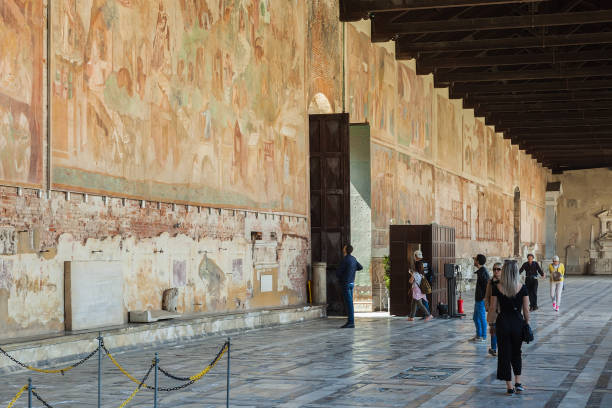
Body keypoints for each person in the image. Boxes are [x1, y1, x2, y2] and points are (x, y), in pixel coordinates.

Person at [490, 260, 529, 395]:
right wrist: (527, 323)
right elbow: (526, 310)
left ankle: (509, 386)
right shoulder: (522, 287)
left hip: (503, 323)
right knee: (516, 352)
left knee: (504, 354)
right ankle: (518, 382)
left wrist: (491, 324)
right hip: (517, 323)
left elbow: (493, 309)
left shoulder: (497, 287)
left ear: (505, 271)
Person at [337, 244, 363, 328]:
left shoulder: (345, 259)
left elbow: (338, 273)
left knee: (349, 304)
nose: (343, 248)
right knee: (350, 303)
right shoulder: (353, 259)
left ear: (345, 250)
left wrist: (345, 273)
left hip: (345, 283)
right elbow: (360, 267)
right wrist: (351, 270)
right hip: (351, 283)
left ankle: (351, 322)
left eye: (344, 247)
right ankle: (350, 321)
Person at [470, 254, 490, 342]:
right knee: (475, 318)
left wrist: (485, 298)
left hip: (481, 299)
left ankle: (483, 336)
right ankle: (479, 335)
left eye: (475, 259)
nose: (474, 261)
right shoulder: (480, 271)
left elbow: (487, 286)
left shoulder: (483, 272)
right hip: (478, 299)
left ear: (478, 261)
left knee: (481, 318)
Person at [485, 262, 503, 356]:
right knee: (493, 329)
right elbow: (487, 295)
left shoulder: (505, 281)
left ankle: (503, 348)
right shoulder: (490, 282)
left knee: (502, 330)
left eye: (498, 269)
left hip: (503, 310)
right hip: (493, 310)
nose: (496, 271)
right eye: (494, 269)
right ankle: (493, 348)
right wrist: (487, 307)